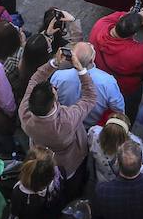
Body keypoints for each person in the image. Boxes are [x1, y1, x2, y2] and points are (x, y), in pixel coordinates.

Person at [21, 45, 98, 187]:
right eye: (54, 90)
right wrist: (81, 70)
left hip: (40, 151)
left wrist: (54, 63)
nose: (55, 88)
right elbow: (90, 97)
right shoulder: (66, 120)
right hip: (69, 163)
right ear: (53, 101)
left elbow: (35, 79)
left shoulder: (24, 112)